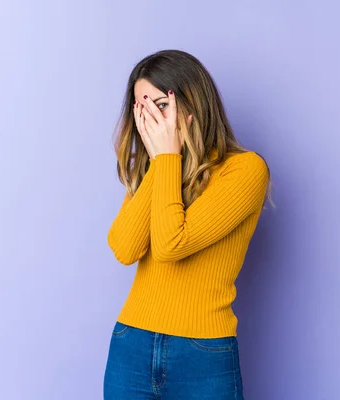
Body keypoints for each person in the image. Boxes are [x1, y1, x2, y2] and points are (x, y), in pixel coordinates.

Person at [103, 49, 272, 399]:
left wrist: (165, 157)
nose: (151, 120)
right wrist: (161, 163)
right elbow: (124, 248)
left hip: (203, 354)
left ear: (193, 104)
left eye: (160, 106)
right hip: (131, 344)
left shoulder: (244, 170)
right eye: (142, 108)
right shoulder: (155, 170)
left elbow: (170, 245)